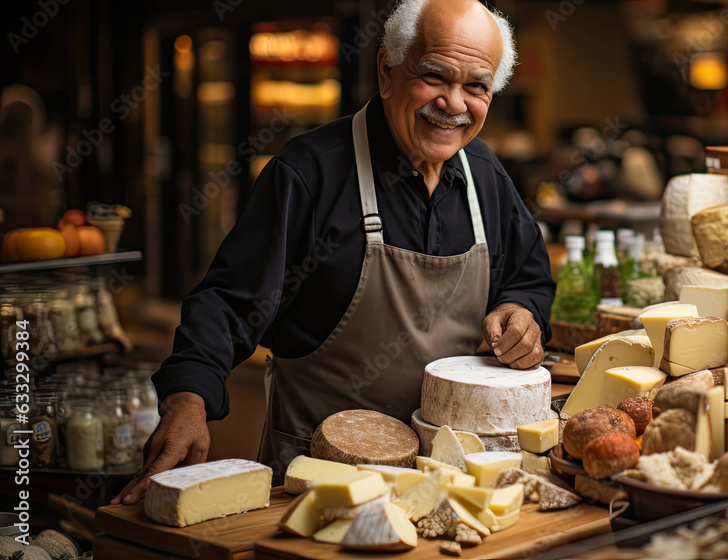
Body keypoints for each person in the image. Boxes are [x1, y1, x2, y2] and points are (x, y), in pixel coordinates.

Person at [112, 0, 554, 505]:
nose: (454, 103)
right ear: (387, 72)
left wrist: (521, 311)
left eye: (476, 85)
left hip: (449, 482)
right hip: (318, 484)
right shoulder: (309, 173)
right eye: (434, 76)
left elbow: (528, 277)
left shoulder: (486, 175)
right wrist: (188, 398)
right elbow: (228, 304)